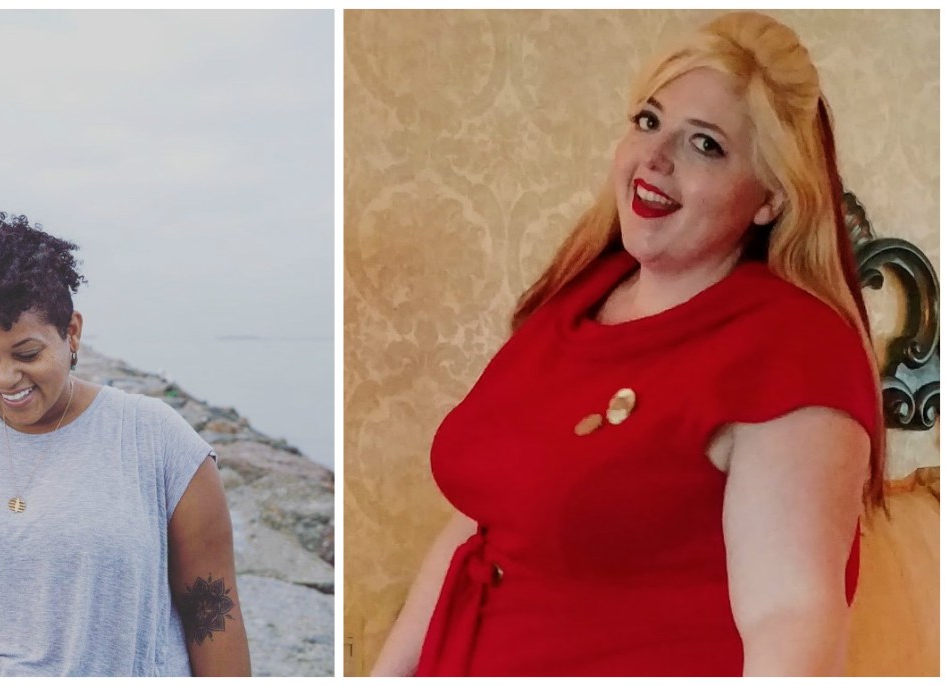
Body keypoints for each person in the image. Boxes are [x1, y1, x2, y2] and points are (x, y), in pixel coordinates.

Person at [370, 12, 884, 677]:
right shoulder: (578, 300)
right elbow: (482, 524)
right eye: (648, 121)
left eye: (705, 145)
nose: (655, 159)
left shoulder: (789, 351)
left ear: (771, 198)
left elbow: (791, 618)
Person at [0, 212, 251, 676]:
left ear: (72, 332)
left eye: (27, 354)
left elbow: (211, 608)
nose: (7, 378)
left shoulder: (157, 440)